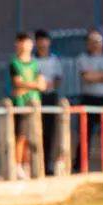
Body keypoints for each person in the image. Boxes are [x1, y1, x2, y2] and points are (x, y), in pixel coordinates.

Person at [74, 29, 103, 175]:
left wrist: (96, 75)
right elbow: (87, 77)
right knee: (84, 133)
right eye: (92, 41)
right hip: (89, 99)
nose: (95, 44)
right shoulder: (82, 59)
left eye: (98, 40)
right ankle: (80, 166)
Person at [9, 32, 46, 180]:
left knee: (33, 136)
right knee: (21, 136)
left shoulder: (36, 64)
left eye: (28, 43)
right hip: (21, 104)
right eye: (22, 42)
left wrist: (29, 87)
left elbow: (42, 85)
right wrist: (34, 85)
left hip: (35, 104)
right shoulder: (14, 63)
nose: (25, 46)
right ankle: (17, 165)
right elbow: (17, 83)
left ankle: (27, 165)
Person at [34, 29, 63, 175]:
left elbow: (58, 79)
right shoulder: (32, 60)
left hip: (50, 97)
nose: (42, 43)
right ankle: (35, 165)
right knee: (35, 131)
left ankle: (48, 164)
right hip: (35, 98)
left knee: (50, 132)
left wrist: (49, 84)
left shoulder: (54, 59)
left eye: (44, 40)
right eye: (39, 40)